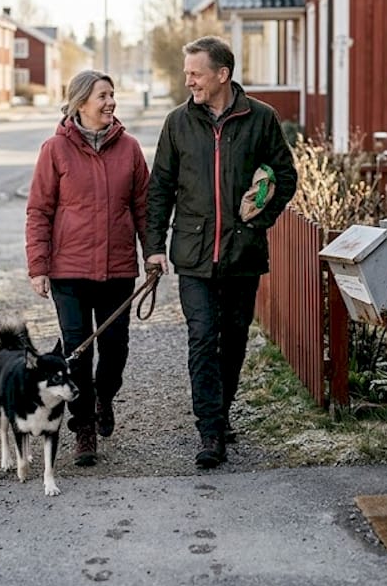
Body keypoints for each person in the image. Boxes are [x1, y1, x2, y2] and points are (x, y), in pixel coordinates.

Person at [144, 36, 297, 469]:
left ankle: (222, 410)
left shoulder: (261, 118)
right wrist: (154, 248)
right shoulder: (177, 123)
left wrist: (259, 220)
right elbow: (160, 188)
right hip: (193, 254)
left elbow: (285, 176)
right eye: (187, 73)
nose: (188, 81)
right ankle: (209, 431)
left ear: (222, 74)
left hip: (242, 254)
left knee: (233, 340)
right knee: (201, 338)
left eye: (196, 73)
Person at [26, 70, 150, 467]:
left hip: (117, 270)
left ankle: (103, 398)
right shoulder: (55, 150)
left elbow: (144, 208)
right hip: (69, 272)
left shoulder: (129, 148)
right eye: (103, 96)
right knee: (77, 352)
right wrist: (38, 266)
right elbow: (39, 211)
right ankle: (83, 428)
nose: (111, 102)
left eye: (112, 95)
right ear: (80, 103)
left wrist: (153, 253)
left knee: (115, 349)